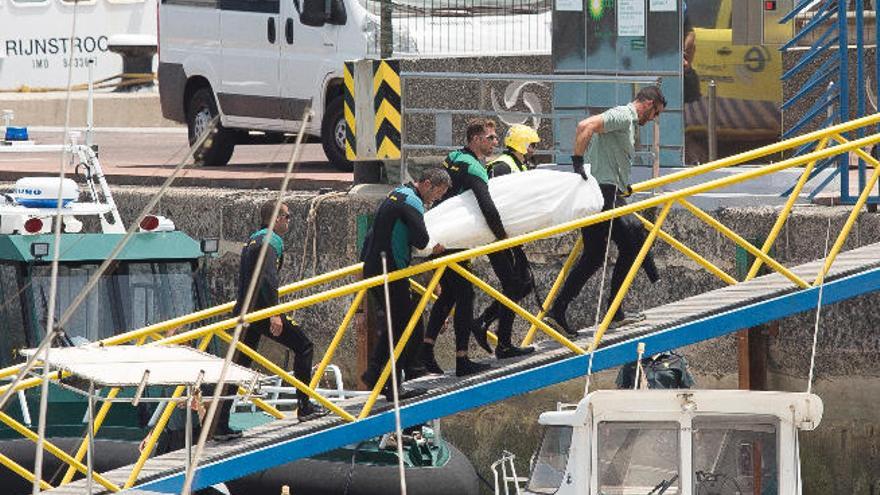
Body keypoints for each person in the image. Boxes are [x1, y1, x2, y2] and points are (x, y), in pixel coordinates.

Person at [547, 86, 665, 336]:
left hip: (605, 190)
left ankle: (559, 310)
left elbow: (608, 155)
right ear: (648, 103)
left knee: (594, 255)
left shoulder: (627, 122)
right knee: (633, 242)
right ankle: (614, 311)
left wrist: (624, 185)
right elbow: (584, 126)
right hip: (601, 194)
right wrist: (577, 162)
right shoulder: (623, 115)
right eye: (655, 113)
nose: (653, 119)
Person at [419, 118, 521, 377]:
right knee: (465, 294)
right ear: (475, 139)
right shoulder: (474, 168)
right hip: (456, 238)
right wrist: (502, 238)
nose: (495, 142)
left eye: (496, 138)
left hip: (443, 231)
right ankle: (462, 359)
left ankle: (427, 350)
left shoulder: (454, 157)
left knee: (450, 294)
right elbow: (486, 206)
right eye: (490, 138)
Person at [214, 201, 321, 441]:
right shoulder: (272, 241)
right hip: (261, 312)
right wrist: (275, 312)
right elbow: (268, 278)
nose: (289, 221)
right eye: (287, 216)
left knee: (237, 367)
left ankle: (219, 425)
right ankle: (305, 407)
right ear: (276, 219)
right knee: (304, 347)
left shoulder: (252, 239)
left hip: (244, 313)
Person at [360, 167, 450, 401]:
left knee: (398, 323)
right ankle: (392, 386)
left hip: (373, 266)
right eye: (437, 193)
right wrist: (434, 249)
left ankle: (375, 373)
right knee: (403, 326)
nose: (436, 199)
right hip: (391, 270)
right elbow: (421, 239)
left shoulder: (397, 193)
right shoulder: (412, 202)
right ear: (427, 184)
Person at [474, 124, 540, 359]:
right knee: (514, 286)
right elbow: (498, 202)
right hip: (499, 236)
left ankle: (486, 321)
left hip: (510, 236)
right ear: (521, 144)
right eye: (531, 145)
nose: (533, 150)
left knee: (525, 283)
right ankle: (502, 342)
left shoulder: (517, 164)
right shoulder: (503, 166)